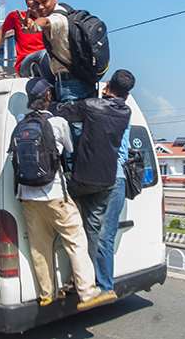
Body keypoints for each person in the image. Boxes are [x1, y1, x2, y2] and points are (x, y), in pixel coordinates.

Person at [17, 77, 116, 310]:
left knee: (39, 247)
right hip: (54, 194)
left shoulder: (20, 122)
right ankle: (87, 292)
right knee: (76, 240)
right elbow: (70, 149)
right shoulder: (58, 123)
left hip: (27, 196)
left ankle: (47, 294)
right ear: (48, 97)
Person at [51, 70, 134, 266]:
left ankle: (81, 271)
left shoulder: (91, 106)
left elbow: (63, 111)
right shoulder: (126, 112)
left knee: (58, 189)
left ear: (108, 84)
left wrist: (50, 101)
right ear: (127, 96)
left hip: (85, 180)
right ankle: (90, 274)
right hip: (108, 181)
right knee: (94, 228)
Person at [17, 0, 96, 105]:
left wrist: (34, 26)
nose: (40, 7)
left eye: (44, 2)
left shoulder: (58, 18)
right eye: (36, 3)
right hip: (86, 81)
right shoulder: (67, 11)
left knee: (72, 124)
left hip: (70, 86)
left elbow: (47, 22)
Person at [0, 0, 54, 81]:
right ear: (26, 1)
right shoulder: (16, 17)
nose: (34, 3)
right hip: (25, 64)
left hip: (48, 62)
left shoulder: (51, 19)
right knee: (43, 55)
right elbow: (2, 30)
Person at [94, 111, 130, 294]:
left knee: (104, 236)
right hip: (113, 178)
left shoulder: (115, 115)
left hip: (112, 178)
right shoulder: (125, 114)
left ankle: (105, 287)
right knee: (97, 233)